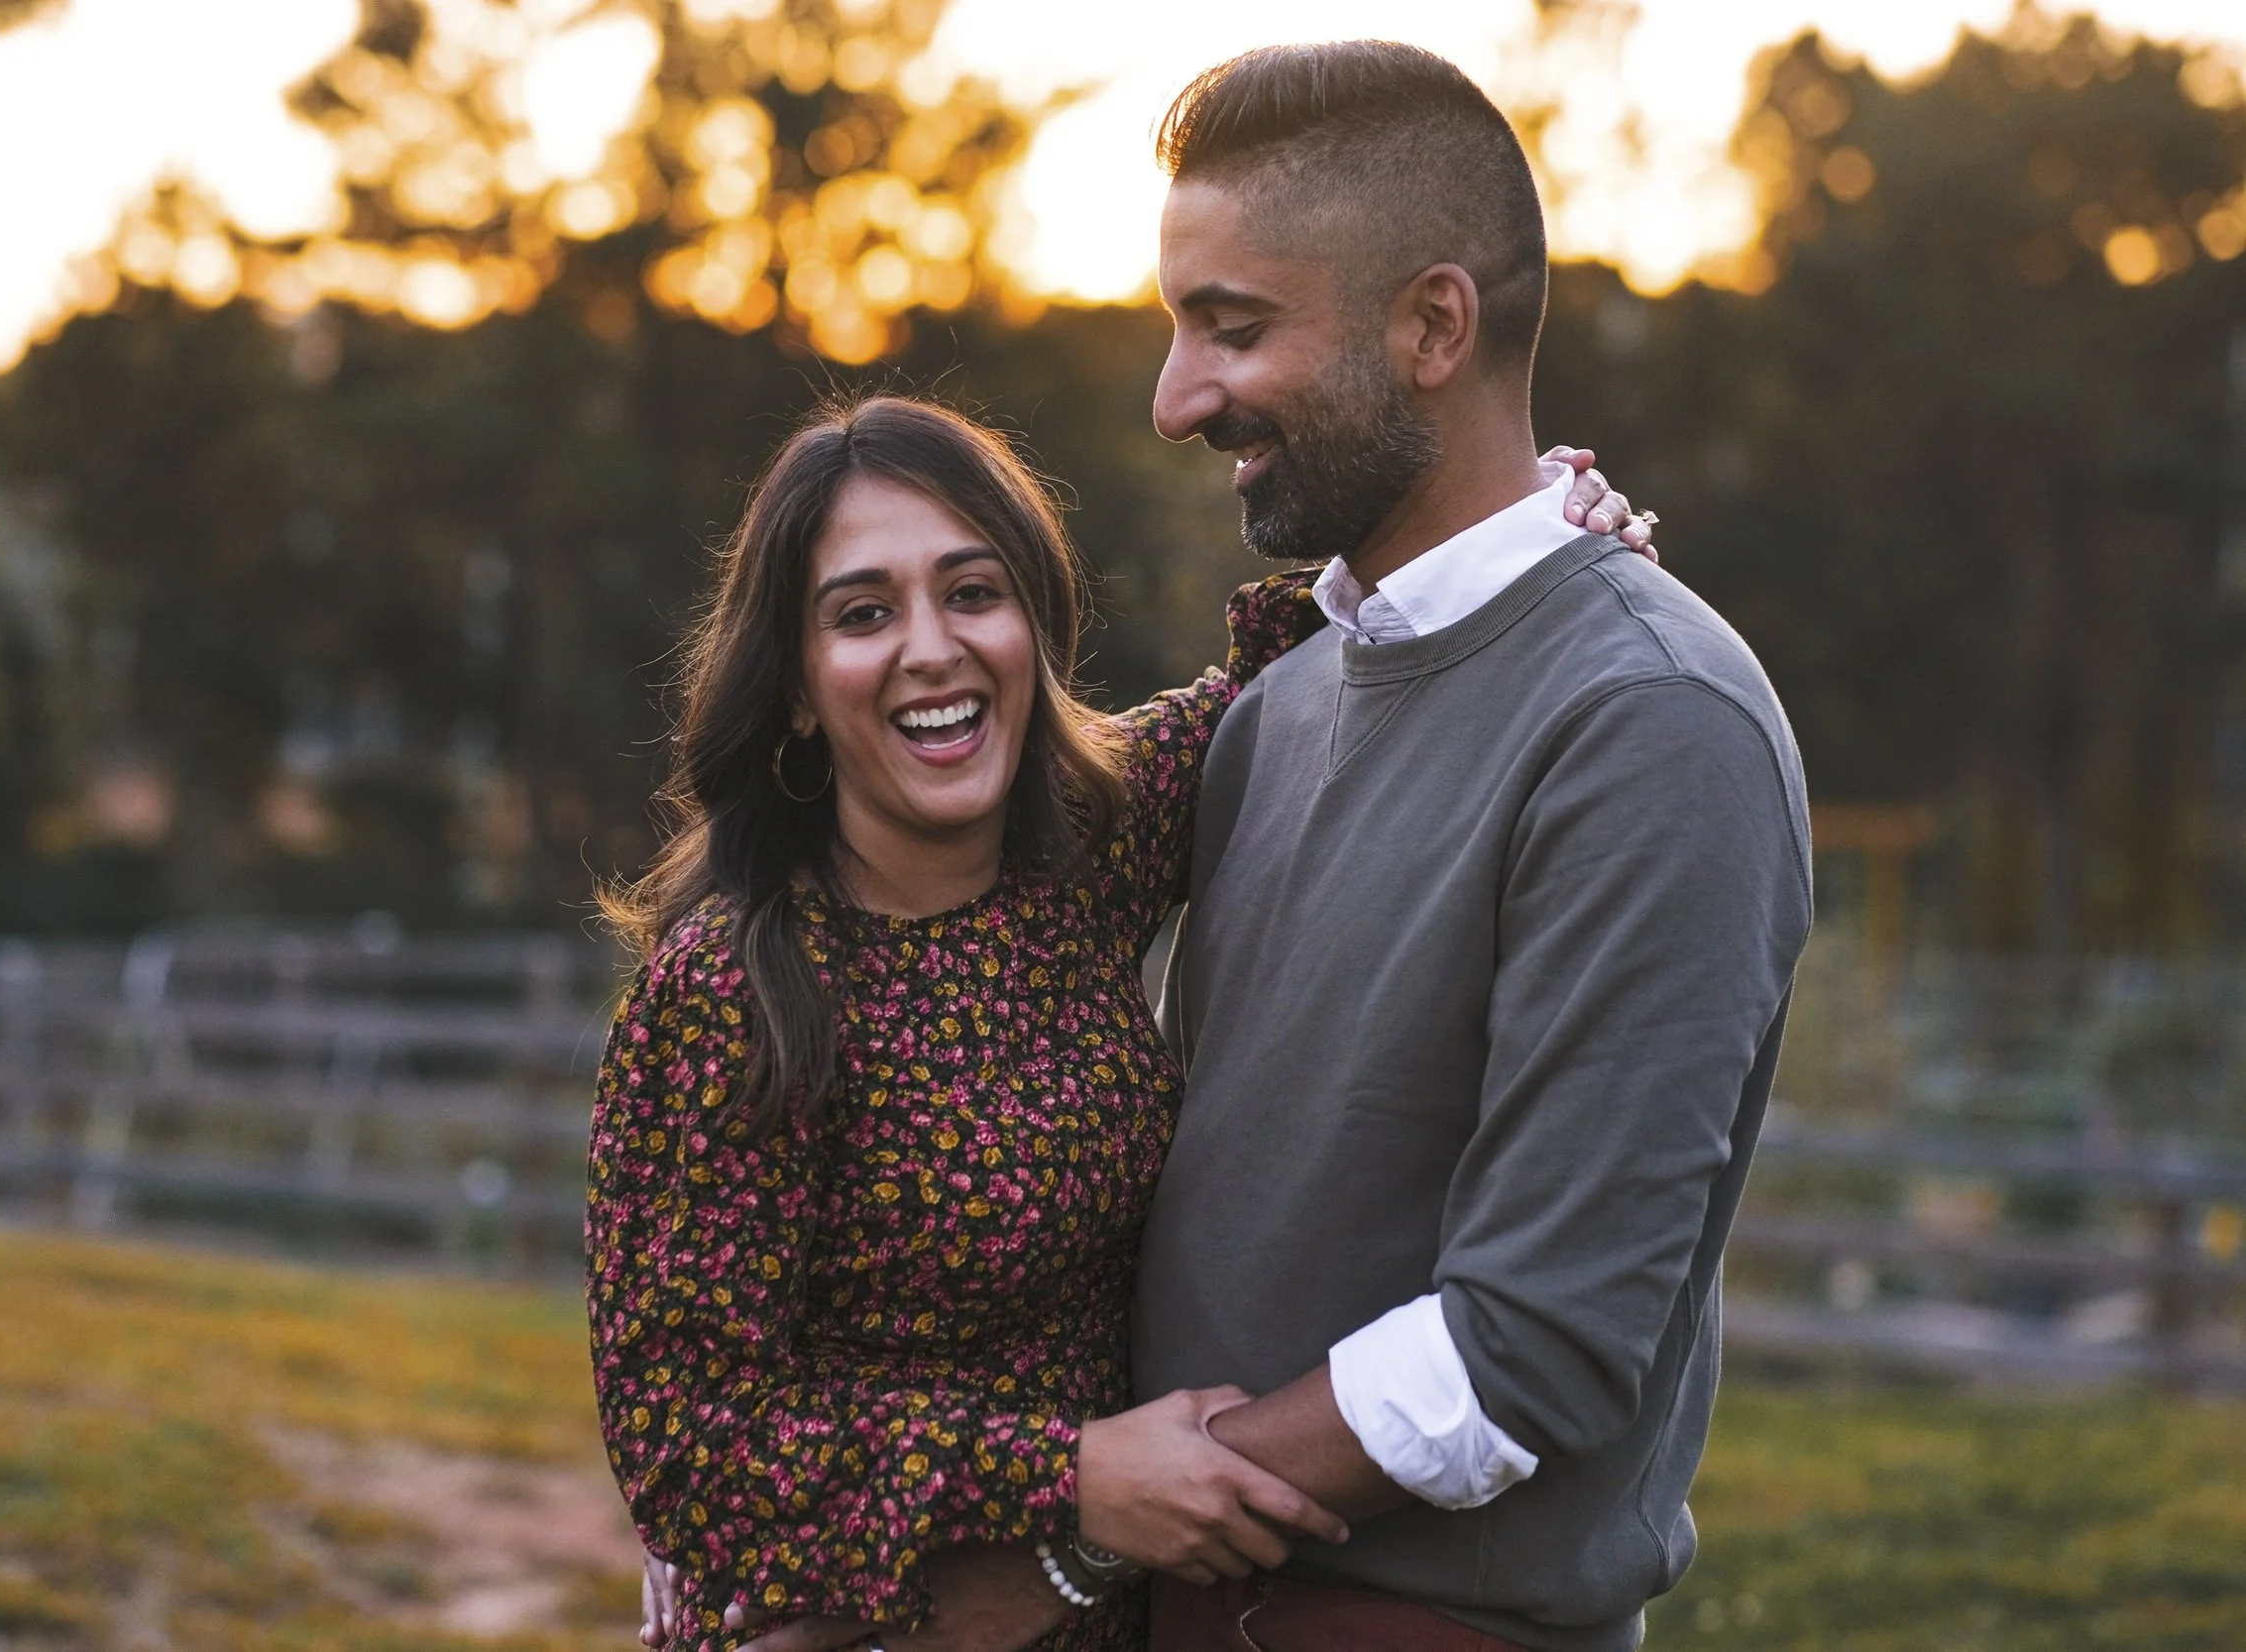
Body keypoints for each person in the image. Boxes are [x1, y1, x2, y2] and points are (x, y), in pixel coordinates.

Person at [728, 38, 1811, 1652]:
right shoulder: (1278, 704)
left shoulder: (1652, 723)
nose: (1176, 399)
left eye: (1231, 330)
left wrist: (1081, 1533)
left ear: (1431, 326)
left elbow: (1535, 1345)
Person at [587, 397, 1645, 1651]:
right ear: (801, 685)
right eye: (863, 613)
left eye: (972, 591)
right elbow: (687, 1440)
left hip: (1108, 1614)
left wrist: (1537, 523)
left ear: (1032, 624)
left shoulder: (1092, 841)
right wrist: (1069, 1475)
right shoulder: (733, 993)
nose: (932, 648)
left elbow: (1314, 657)